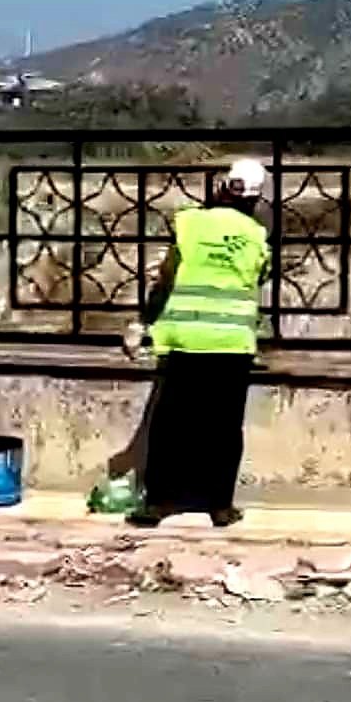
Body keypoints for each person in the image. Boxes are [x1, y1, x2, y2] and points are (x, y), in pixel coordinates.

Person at [123, 159, 271, 528]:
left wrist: (142, 322)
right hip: (232, 343)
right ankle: (220, 505)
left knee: (171, 421)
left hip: (186, 337)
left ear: (221, 188)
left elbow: (167, 276)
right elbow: (261, 275)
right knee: (224, 426)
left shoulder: (190, 223)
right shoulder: (256, 235)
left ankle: (159, 502)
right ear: (256, 199)